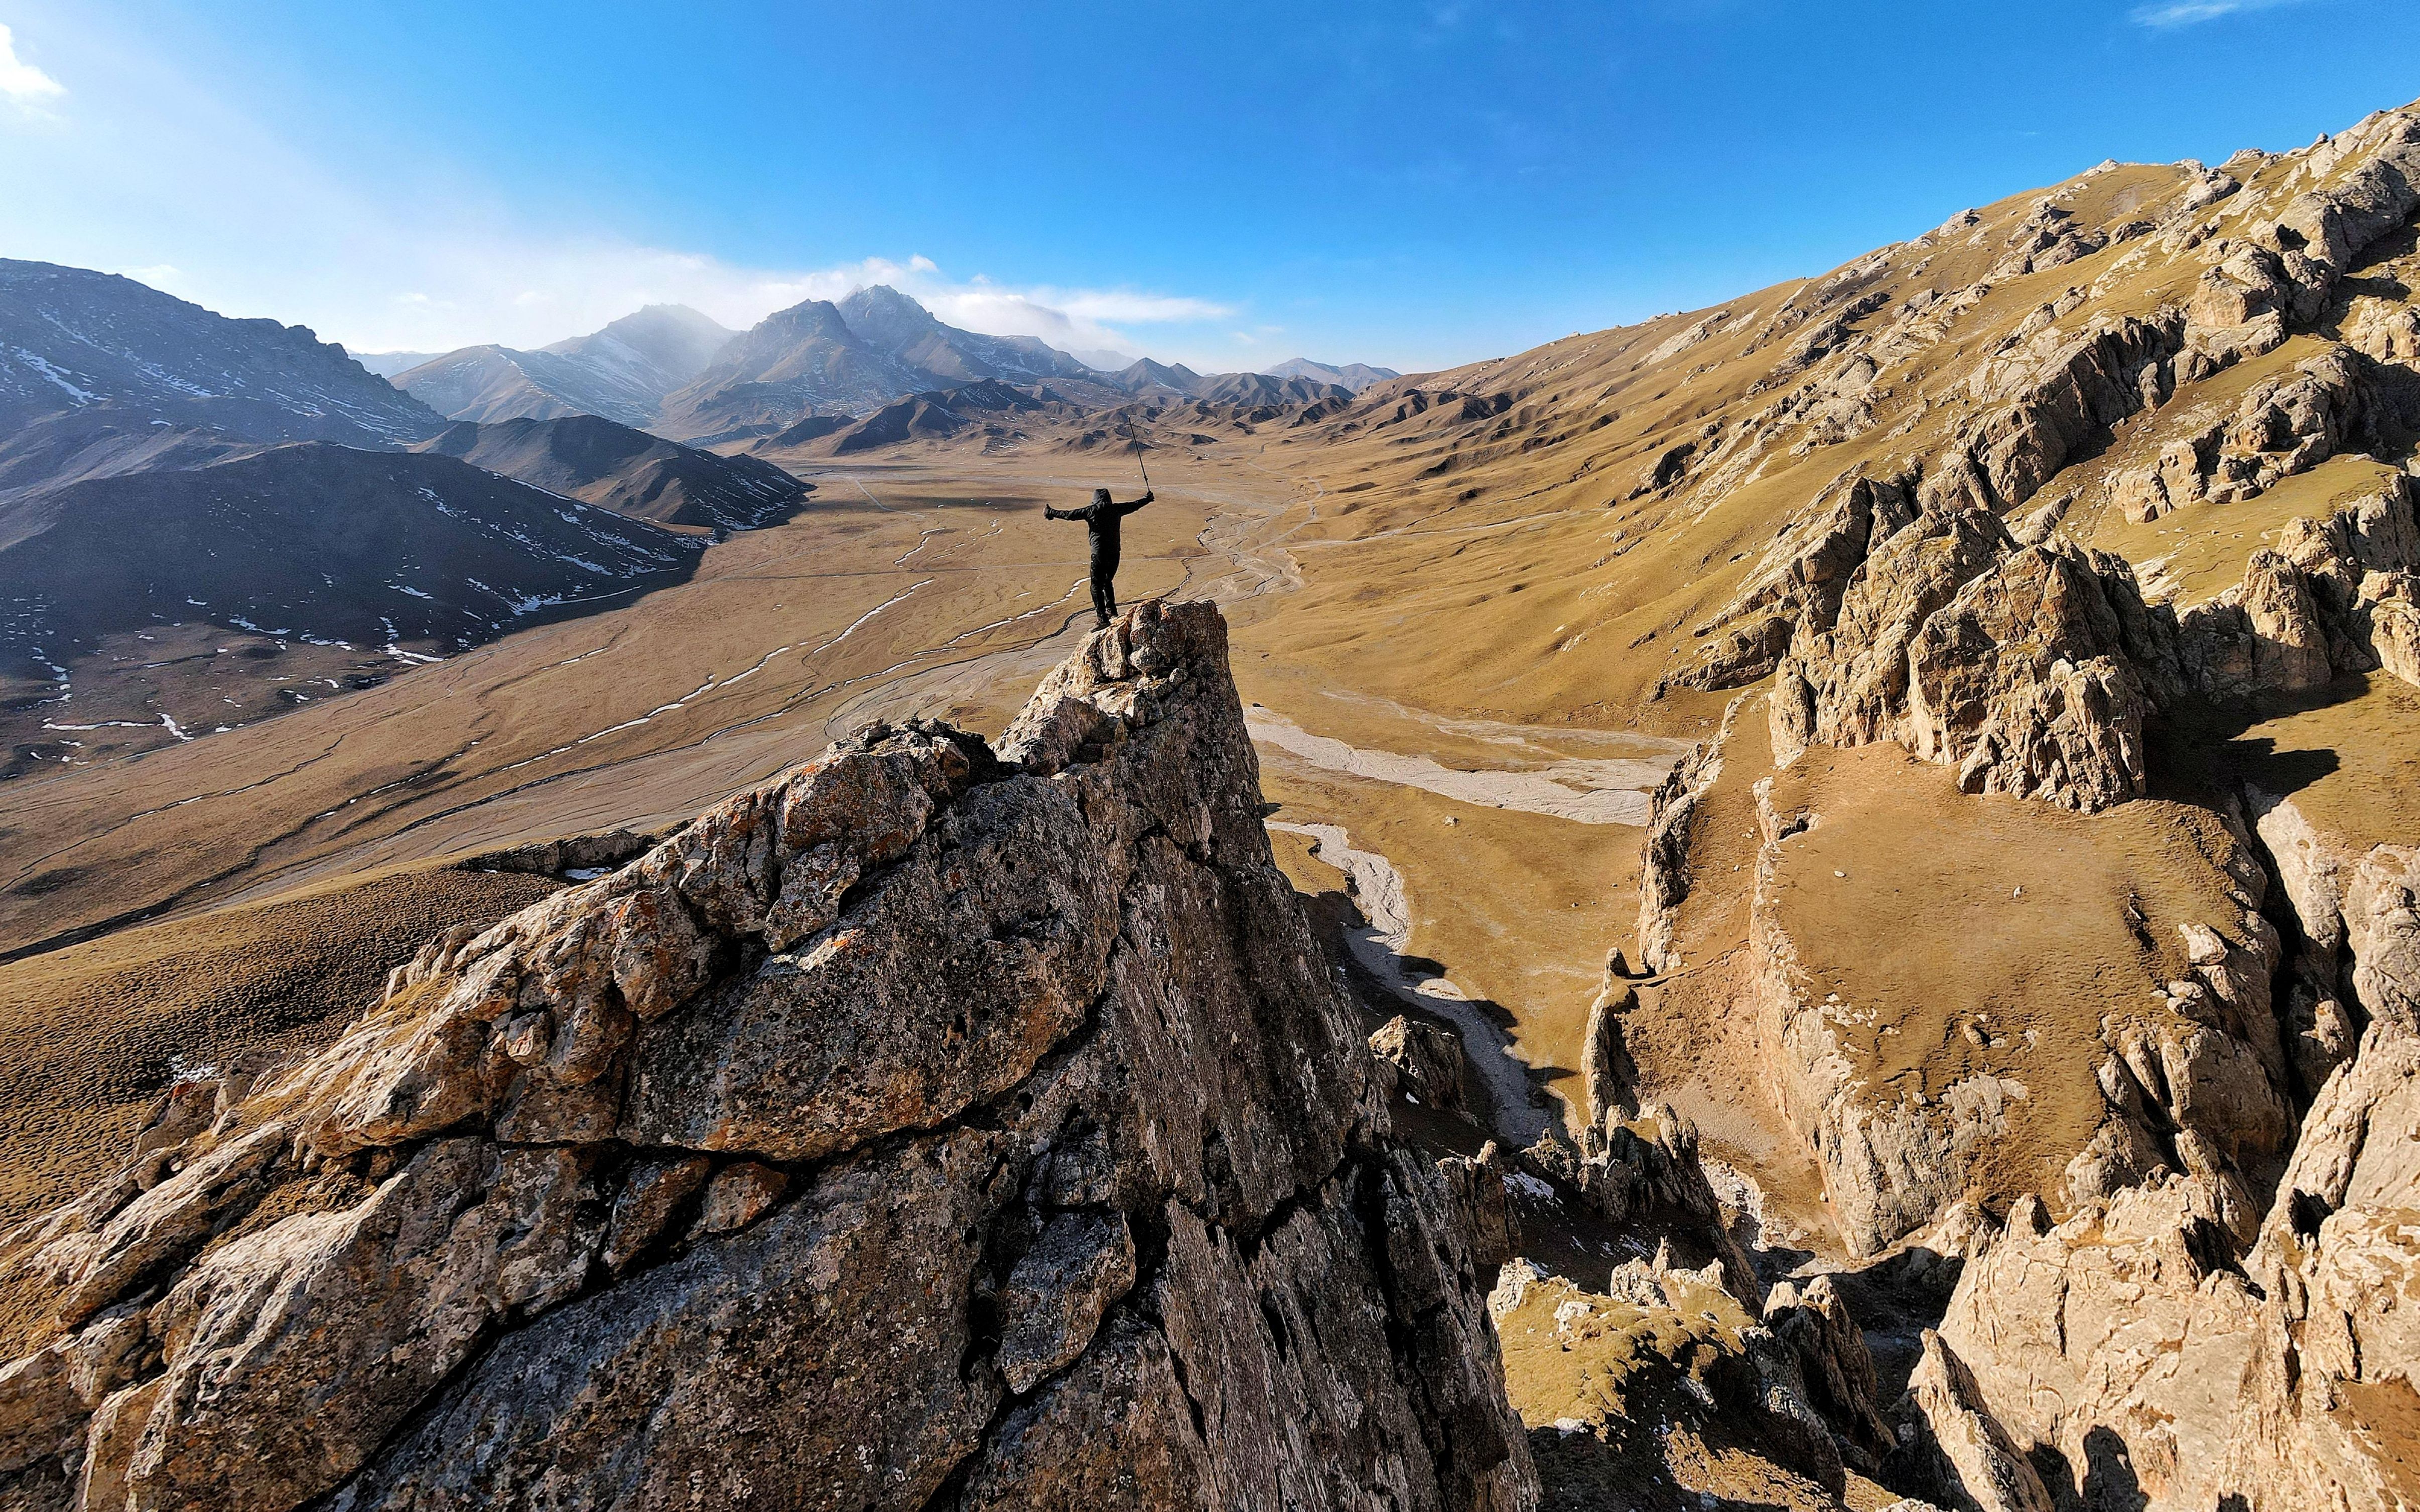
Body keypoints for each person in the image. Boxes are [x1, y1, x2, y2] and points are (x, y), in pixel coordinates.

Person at [1046, 486, 1154, 627]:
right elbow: (1135, 505)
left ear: (1094, 500)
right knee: (1107, 581)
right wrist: (1147, 499)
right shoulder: (1116, 509)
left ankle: (1102, 619)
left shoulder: (1091, 511)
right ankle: (1112, 611)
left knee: (1096, 586)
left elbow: (1070, 515)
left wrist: (1051, 512)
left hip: (1099, 554)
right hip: (1115, 553)